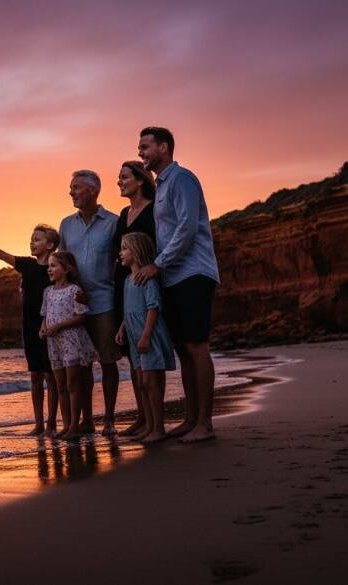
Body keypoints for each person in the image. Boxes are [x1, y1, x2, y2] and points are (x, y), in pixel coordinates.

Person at [136, 126, 220, 443]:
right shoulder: (161, 186)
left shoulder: (182, 178)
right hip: (173, 274)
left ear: (164, 147)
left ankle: (206, 423)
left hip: (193, 272)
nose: (140, 152)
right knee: (185, 349)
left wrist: (157, 264)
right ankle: (190, 419)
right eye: (139, 147)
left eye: (145, 146)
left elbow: (186, 228)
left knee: (197, 345)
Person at [0, 224, 60, 436]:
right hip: (29, 327)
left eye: (37, 239)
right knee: (35, 375)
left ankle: (52, 424)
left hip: (50, 327)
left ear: (51, 245)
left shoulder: (55, 267)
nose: (31, 242)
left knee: (51, 377)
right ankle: (38, 424)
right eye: (31, 238)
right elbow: (1, 254)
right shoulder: (27, 265)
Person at [58, 170, 121, 436]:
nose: (71, 192)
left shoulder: (115, 222)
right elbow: (62, 263)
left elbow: (121, 262)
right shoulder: (66, 224)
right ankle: (87, 420)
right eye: (71, 188)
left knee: (108, 361)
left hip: (105, 301)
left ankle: (109, 419)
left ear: (93, 191)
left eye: (76, 188)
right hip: (76, 305)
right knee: (82, 366)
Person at [115, 232, 176, 444]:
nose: (120, 253)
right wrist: (122, 328)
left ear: (137, 251)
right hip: (132, 334)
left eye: (124, 248)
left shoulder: (146, 279)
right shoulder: (127, 280)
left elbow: (153, 308)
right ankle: (149, 426)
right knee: (142, 382)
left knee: (151, 382)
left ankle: (158, 428)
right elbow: (128, 310)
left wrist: (146, 336)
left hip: (147, 334)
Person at [113, 161, 159, 437]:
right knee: (133, 357)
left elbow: (159, 244)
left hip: (147, 280)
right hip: (125, 283)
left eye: (124, 177)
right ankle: (142, 419)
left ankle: (155, 421)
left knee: (149, 356)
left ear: (140, 180)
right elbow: (115, 251)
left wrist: (151, 268)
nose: (119, 181)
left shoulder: (155, 209)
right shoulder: (123, 213)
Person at [40, 251, 97, 441]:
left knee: (73, 384)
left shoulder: (74, 290)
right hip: (53, 342)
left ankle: (74, 425)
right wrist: (43, 329)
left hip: (71, 340)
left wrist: (58, 326)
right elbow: (45, 316)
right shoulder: (47, 292)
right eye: (49, 266)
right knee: (61, 385)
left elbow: (81, 316)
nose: (49, 269)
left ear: (66, 269)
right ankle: (66, 425)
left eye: (54, 265)